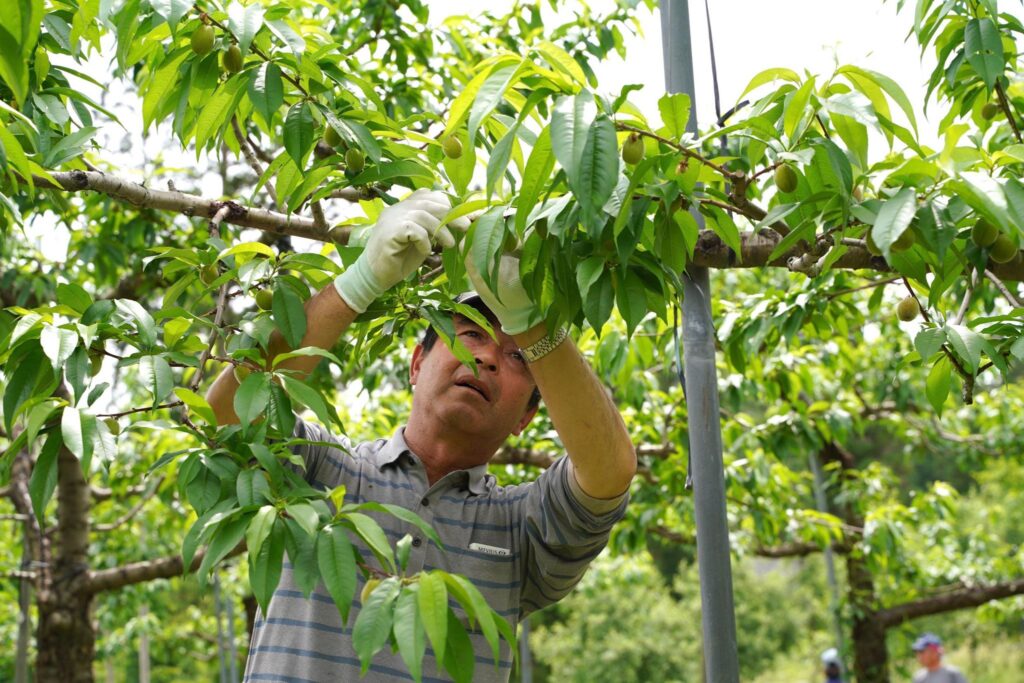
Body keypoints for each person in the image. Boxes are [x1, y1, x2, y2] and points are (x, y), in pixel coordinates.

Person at [206, 190, 637, 682]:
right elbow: (224, 422)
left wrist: (533, 323)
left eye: (517, 356)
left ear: (526, 418)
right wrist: (359, 281)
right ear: (416, 364)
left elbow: (610, 470)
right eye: (471, 332)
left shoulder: (521, 528)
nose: (488, 356)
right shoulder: (318, 468)